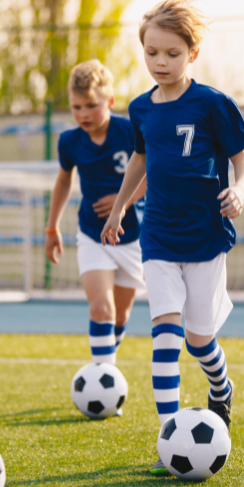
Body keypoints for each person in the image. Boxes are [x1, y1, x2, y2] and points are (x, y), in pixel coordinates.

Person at [100, 0, 244, 475]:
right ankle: (171, 433)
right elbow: (142, 162)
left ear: (193, 53)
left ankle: (220, 388)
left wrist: (239, 191)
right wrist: (122, 206)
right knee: (165, 333)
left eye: (171, 53)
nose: (160, 62)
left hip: (206, 238)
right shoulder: (141, 109)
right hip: (159, 239)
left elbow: (242, 161)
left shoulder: (212, 104)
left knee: (198, 339)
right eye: (151, 53)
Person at [45, 60, 147, 374]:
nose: (83, 114)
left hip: (131, 237)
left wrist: (122, 202)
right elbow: (63, 181)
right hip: (92, 235)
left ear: (110, 102)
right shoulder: (69, 142)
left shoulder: (130, 130)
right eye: (76, 107)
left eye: (91, 105)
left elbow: (153, 172)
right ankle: (104, 379)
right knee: (101, 308)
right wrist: (52, 229)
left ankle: (104, 372)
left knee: (120, 316)